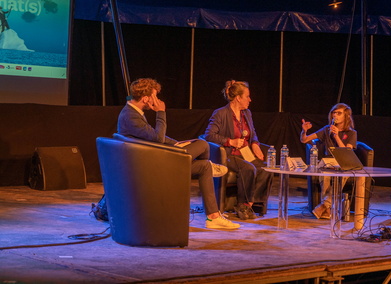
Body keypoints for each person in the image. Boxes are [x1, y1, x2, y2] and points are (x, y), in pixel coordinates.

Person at [117, 78, 240, 229]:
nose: (159, 100)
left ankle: (213, 217)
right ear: (146, 99)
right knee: (203, 144)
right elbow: (158, 137)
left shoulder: (131, 110)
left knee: (203, 166)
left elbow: (153, 136)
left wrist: (176, 144)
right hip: (153, 165)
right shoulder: (131, 116)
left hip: (154, 158)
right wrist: (161, 112)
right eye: (156, 96)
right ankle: (210, 165)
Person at [204, 80, 274, 220]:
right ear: (238, 98)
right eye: (247, 96)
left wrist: (255, 143)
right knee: (248, 169)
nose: (250, 100)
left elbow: (252, 133)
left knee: (267, 169)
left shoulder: (246, 113)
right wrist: (230, 141)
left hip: (245, 153)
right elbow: (209, 135)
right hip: (228, 155)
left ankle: (248, 204)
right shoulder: (221, 113)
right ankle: (242, 204)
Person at [300, 103, 357, 219]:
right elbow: (304, 140)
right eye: (333, 113)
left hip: (343, 161)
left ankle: (323, 206)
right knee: (325, 175)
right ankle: (327, 209)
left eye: (338, 113)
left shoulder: (351, 133)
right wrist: (304, 131)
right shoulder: (326, 129)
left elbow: (346, 152)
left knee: (342, 175)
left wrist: (336, 136)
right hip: (327, 161)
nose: (335, 115)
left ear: (346, 116)